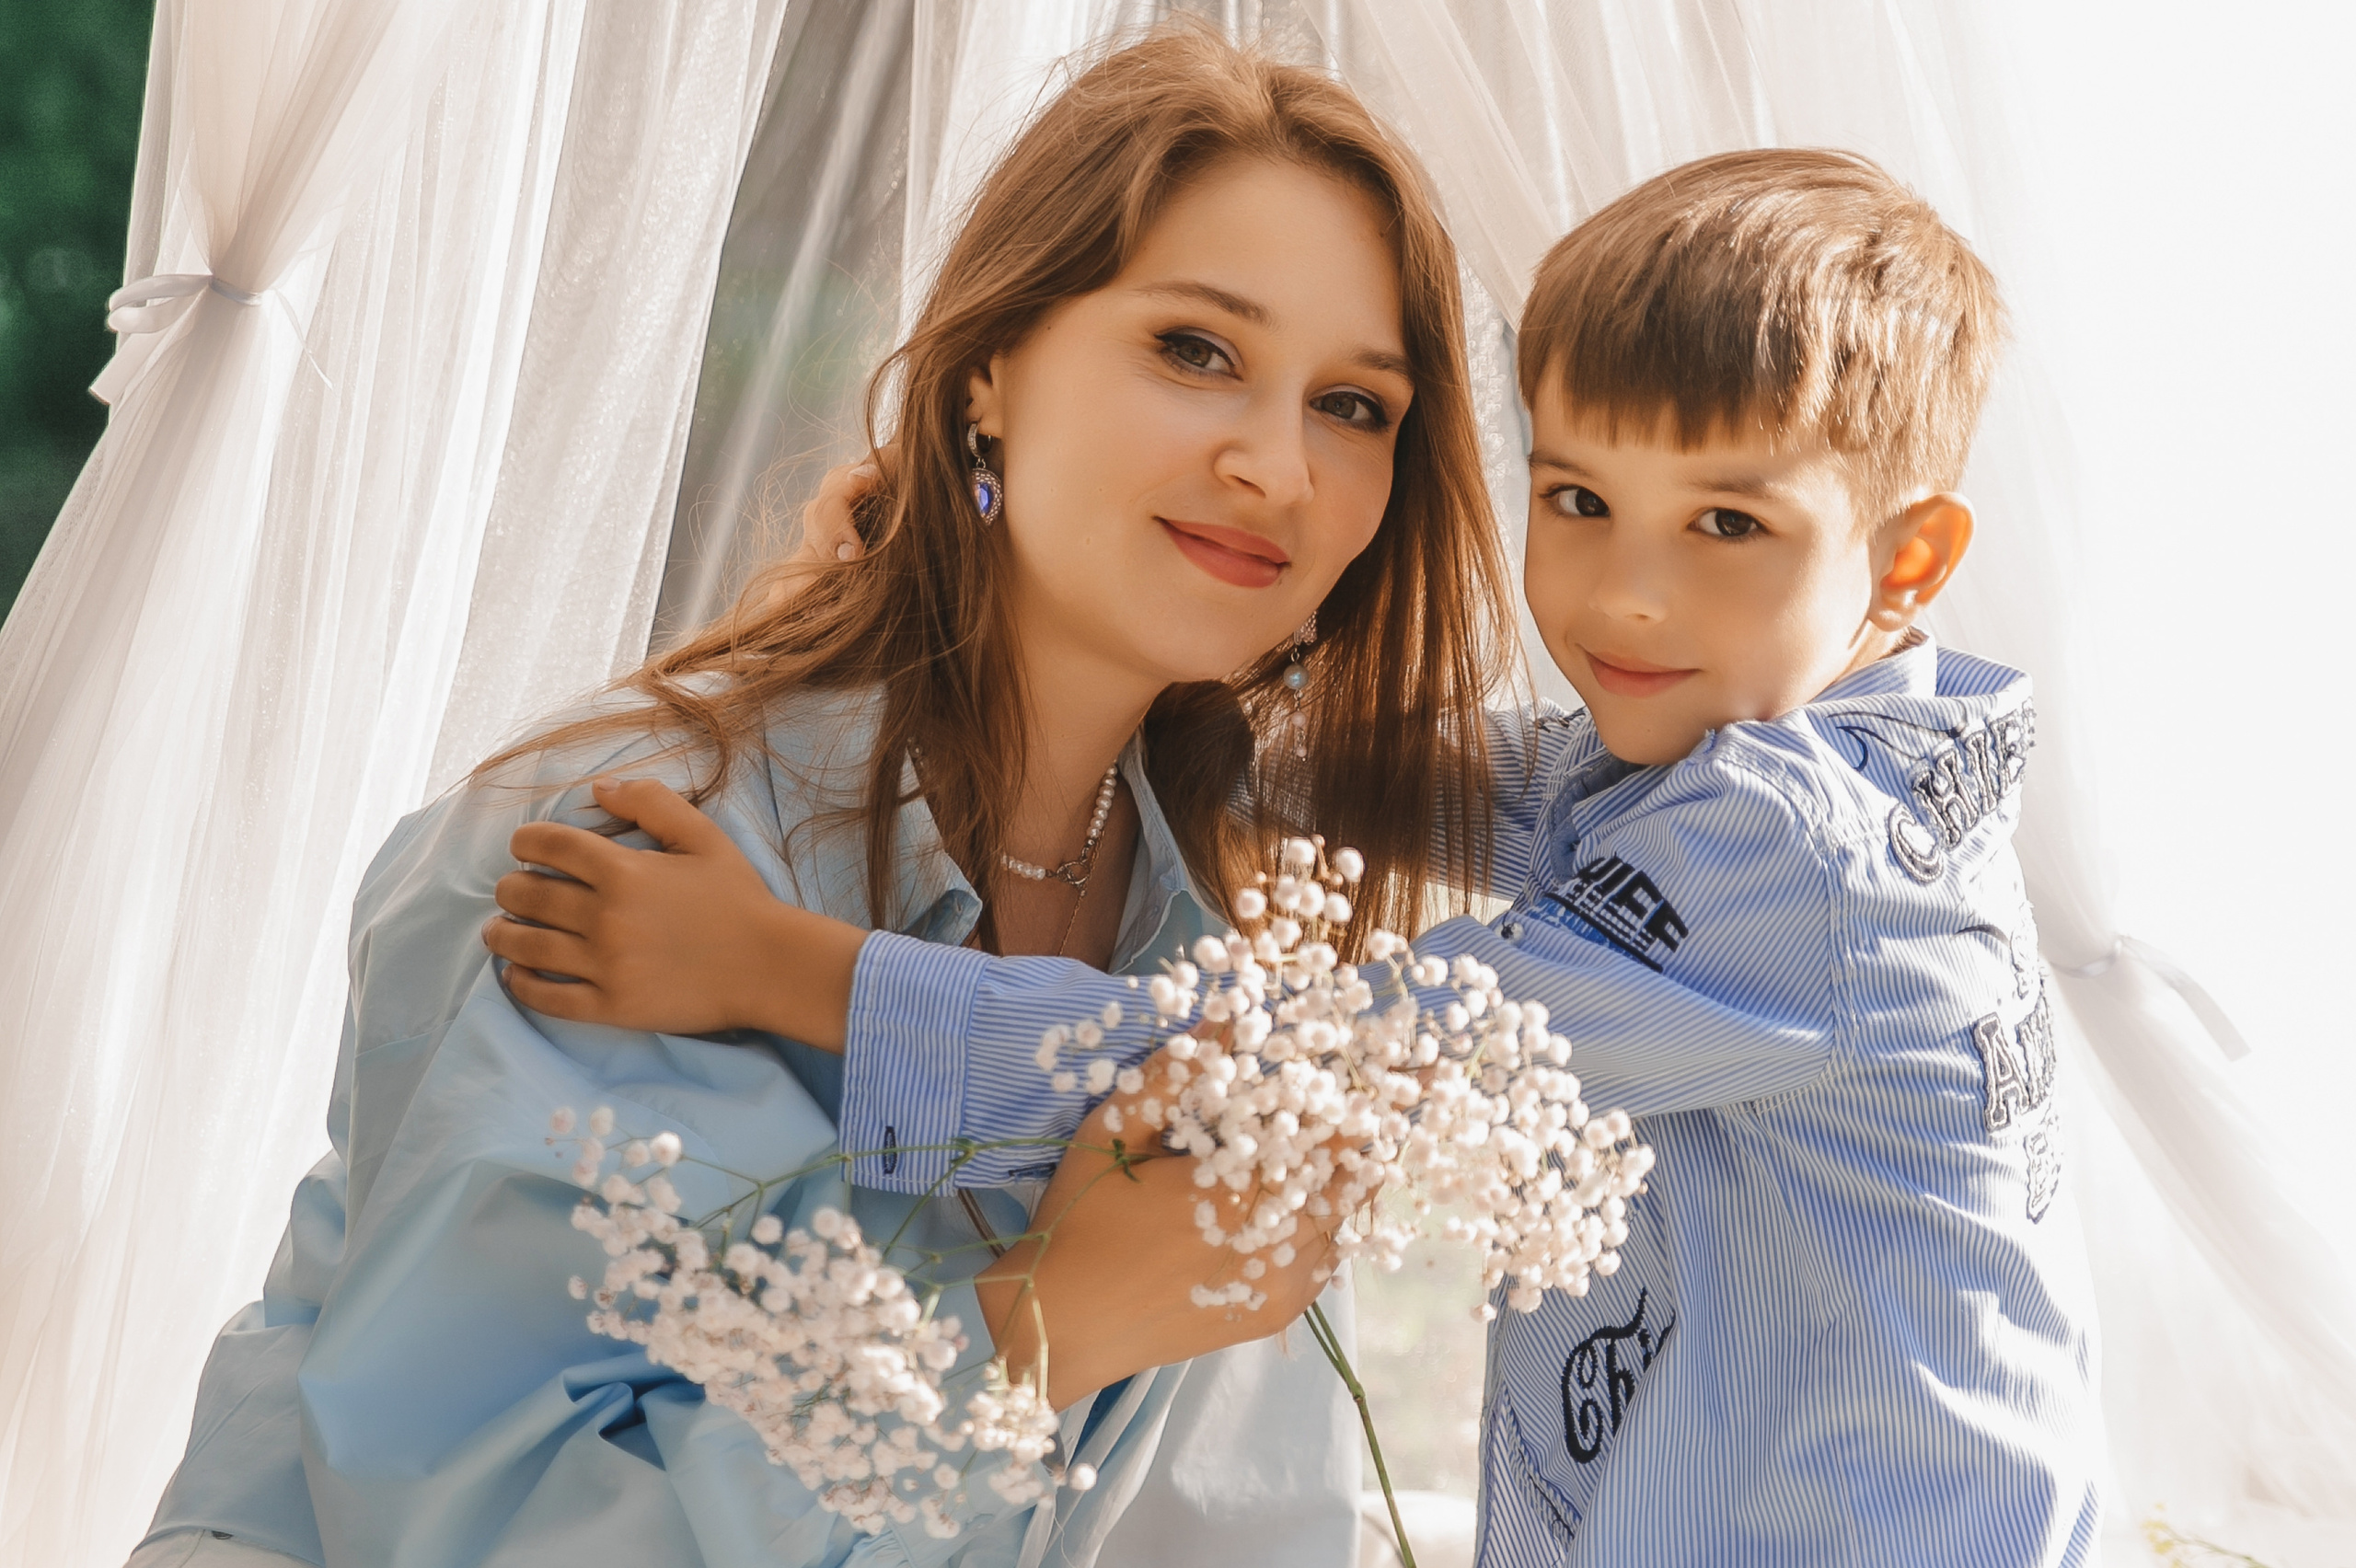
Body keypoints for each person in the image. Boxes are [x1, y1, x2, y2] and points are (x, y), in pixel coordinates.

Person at [524, 149, 2102, 1564]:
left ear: (1908, 561)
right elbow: (1407, 775)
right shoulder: (1759, 762)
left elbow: (1287, 1082)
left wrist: (798, 976)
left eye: (1727, 526)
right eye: (1578, 498)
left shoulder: (1799, 856)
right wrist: (1080, 638)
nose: (1625, 596)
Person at [131, 29, 1516, 1568]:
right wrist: (1039, 1328)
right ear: (991, 372)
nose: (1278, 465)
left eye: (1354, 406)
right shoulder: (634, 849)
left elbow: (1238, 1520)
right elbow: (480, 1522)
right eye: (1196, 349)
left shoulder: (1226, 947)